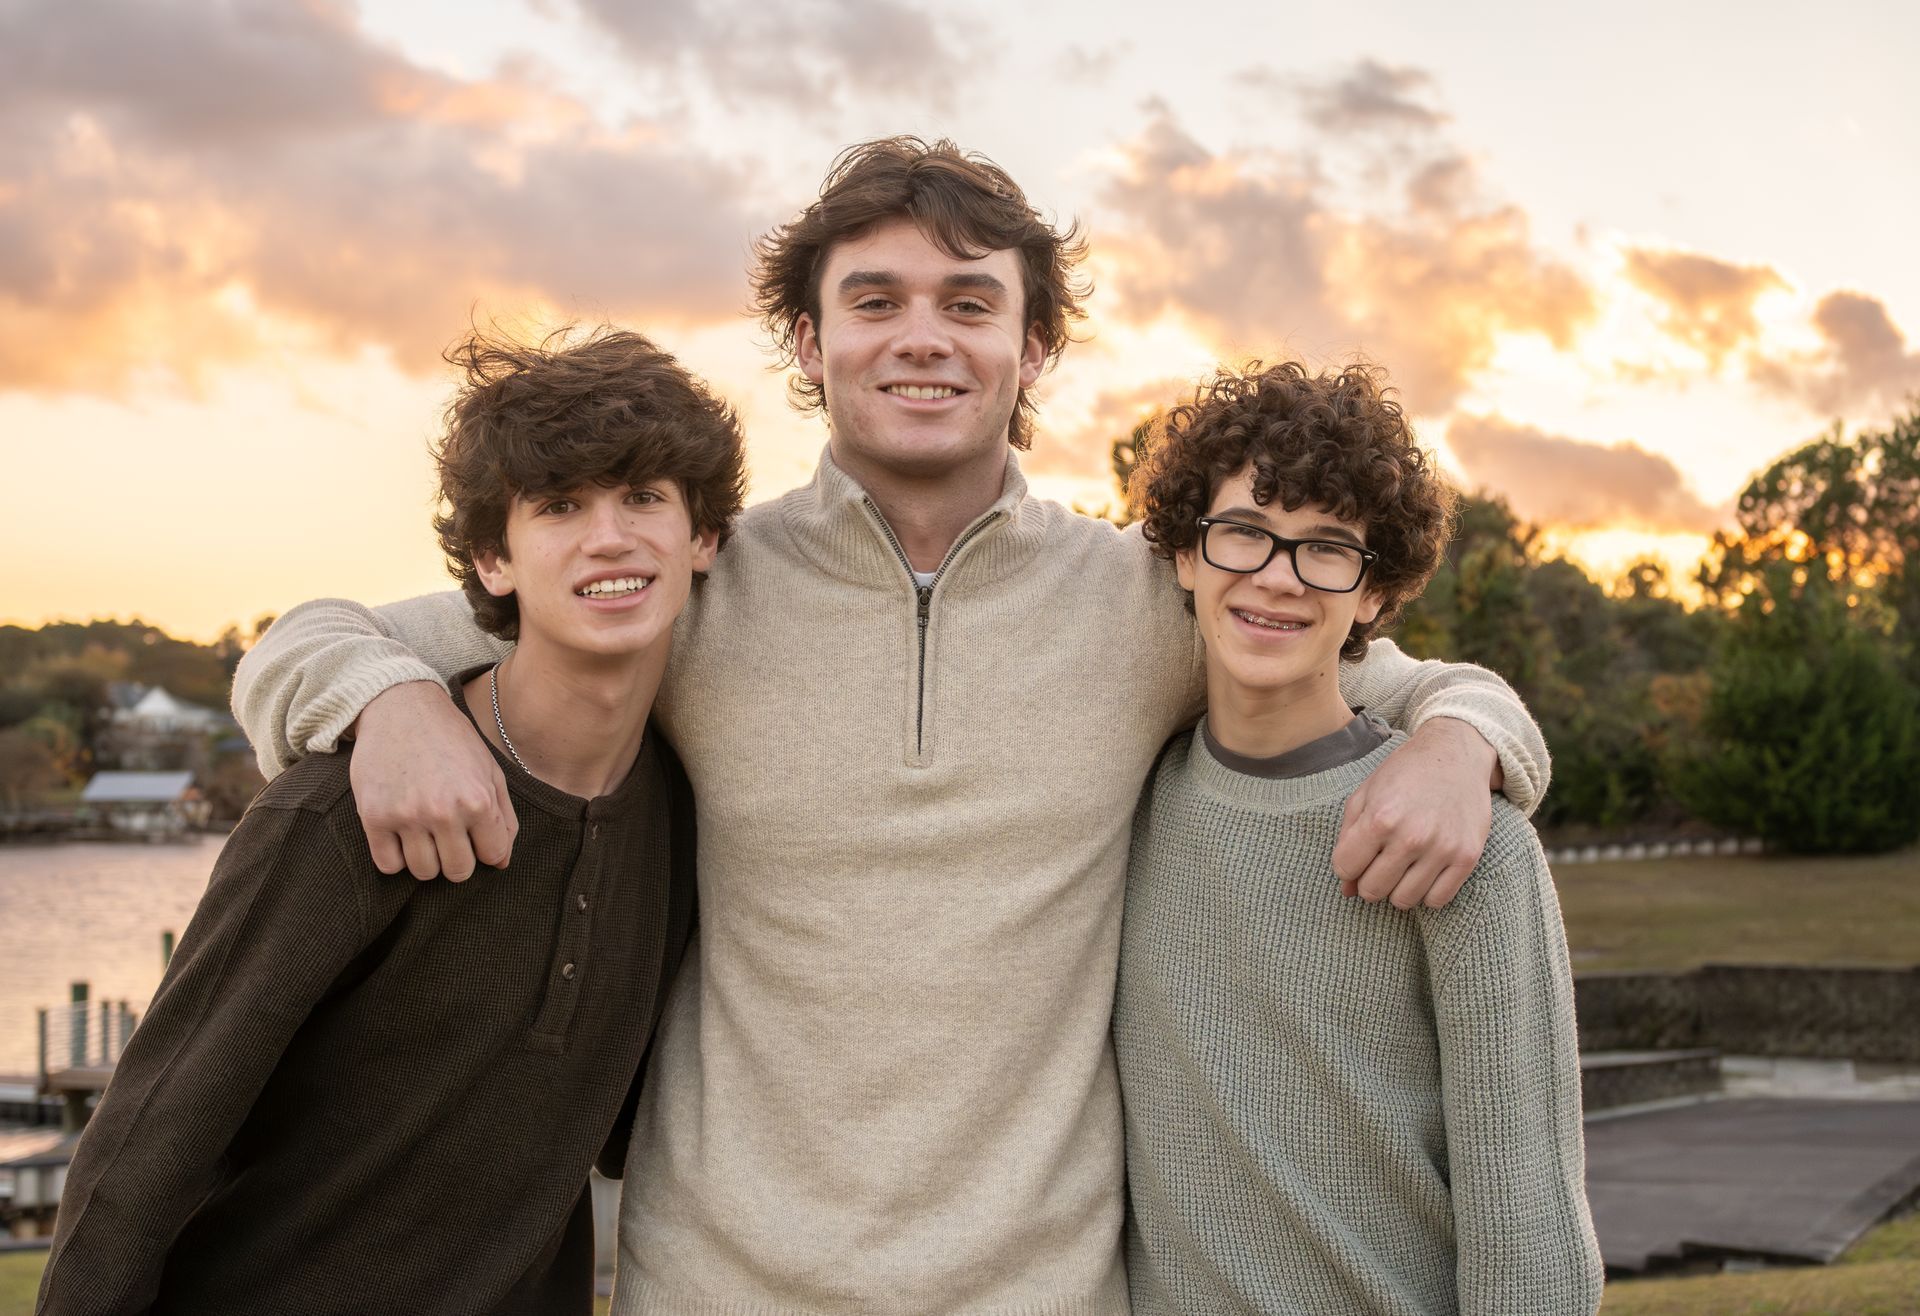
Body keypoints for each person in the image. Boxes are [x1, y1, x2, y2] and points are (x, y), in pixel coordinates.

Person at [231, 139, 1553, 1313]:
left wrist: (1465, 743)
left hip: (1043, 1288)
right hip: (719, 1282)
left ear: (1032, 352)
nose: (922, 336)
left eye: (970, 304)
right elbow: (309, 642)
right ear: (809, 345)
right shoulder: (689, 579)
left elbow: (1390, 671)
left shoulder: (1145, 601)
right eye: (875, 301)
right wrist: (390, 700)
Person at [37, 328, 745, 1316]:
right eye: (560, 506)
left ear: (703, 536)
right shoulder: (336, 811)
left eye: (643, 498)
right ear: (495, 557)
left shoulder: (677, 816)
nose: (610, 536)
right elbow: (139, 1155)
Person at [1116, 360, 1603, 1314]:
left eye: (1325, 549)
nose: (1276, 578)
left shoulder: (1472, 846)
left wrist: (1465, 738)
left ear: (1374, 594)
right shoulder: (1130, 806)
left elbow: (1530, 1225)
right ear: (1183, 553)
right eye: (1243, 534)